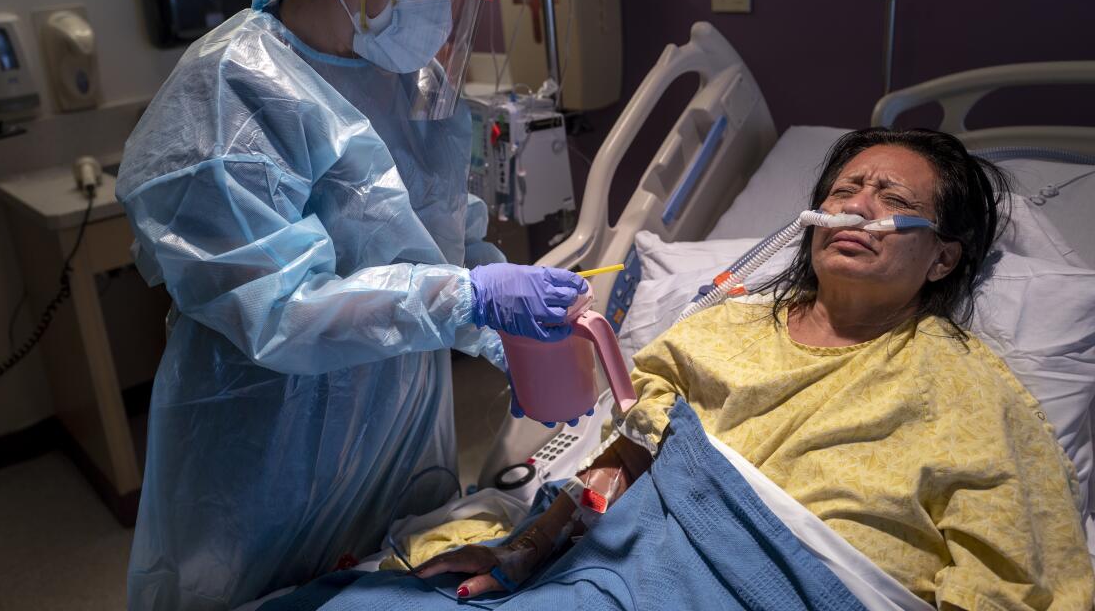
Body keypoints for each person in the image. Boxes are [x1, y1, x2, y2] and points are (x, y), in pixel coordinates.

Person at [115, 0, 585, 610]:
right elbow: (281, 312)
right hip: (266, 452)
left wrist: (505, 332)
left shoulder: (412, 80)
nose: (441, 6)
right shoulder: (228, 94)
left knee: (397, 576)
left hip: (402, 430)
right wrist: (467, 301)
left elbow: (441, 241)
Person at [418, 129, 1095, 609]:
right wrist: (530, 548)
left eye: (892, 199)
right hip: (628, 573)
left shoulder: (973, 394)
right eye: (845, 188)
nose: (857, 206)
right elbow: (624, 464)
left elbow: (1015, 577)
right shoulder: (722, 329)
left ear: (943, 258)